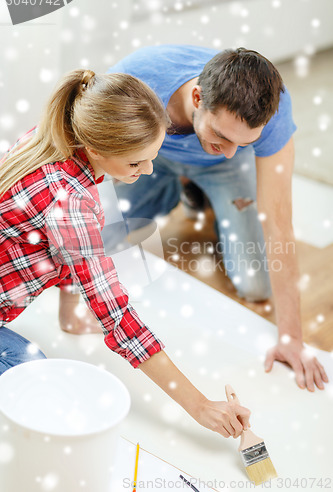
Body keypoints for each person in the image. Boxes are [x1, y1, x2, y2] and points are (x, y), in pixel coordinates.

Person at [0, 69, 251, 439]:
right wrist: (200, 406)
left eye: (151, 157)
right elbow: (116, 314)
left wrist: (70, 313)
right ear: (98, 148)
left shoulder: (54, 136)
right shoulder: (68, 202)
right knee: (37, 386)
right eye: (135, 163)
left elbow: (69, 252)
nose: (147, 171)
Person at [101, 44, 328, 392]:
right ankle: (181, 189)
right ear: (196, 97)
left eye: (244, 141)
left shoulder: (272, 114)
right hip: (149, 160)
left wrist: (291, 338)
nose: (231, 148)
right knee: (105, 240)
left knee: (255, 285)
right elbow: (88, 163)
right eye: (221, 134)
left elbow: (279, 224)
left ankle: (203, 194)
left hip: (224, 173)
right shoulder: (135, 82)